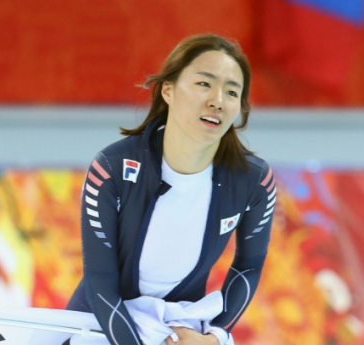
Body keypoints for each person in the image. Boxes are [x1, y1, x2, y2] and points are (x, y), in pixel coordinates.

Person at [66, 33, 276, 345]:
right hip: (97, 325)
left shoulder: (254, 181)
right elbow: (101, 279)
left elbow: (249, 265)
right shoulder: (112, 168)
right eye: (204, 83)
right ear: (168, 90)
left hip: (184, 332)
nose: (217, 100)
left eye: (231, 91)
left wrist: (215, 337)